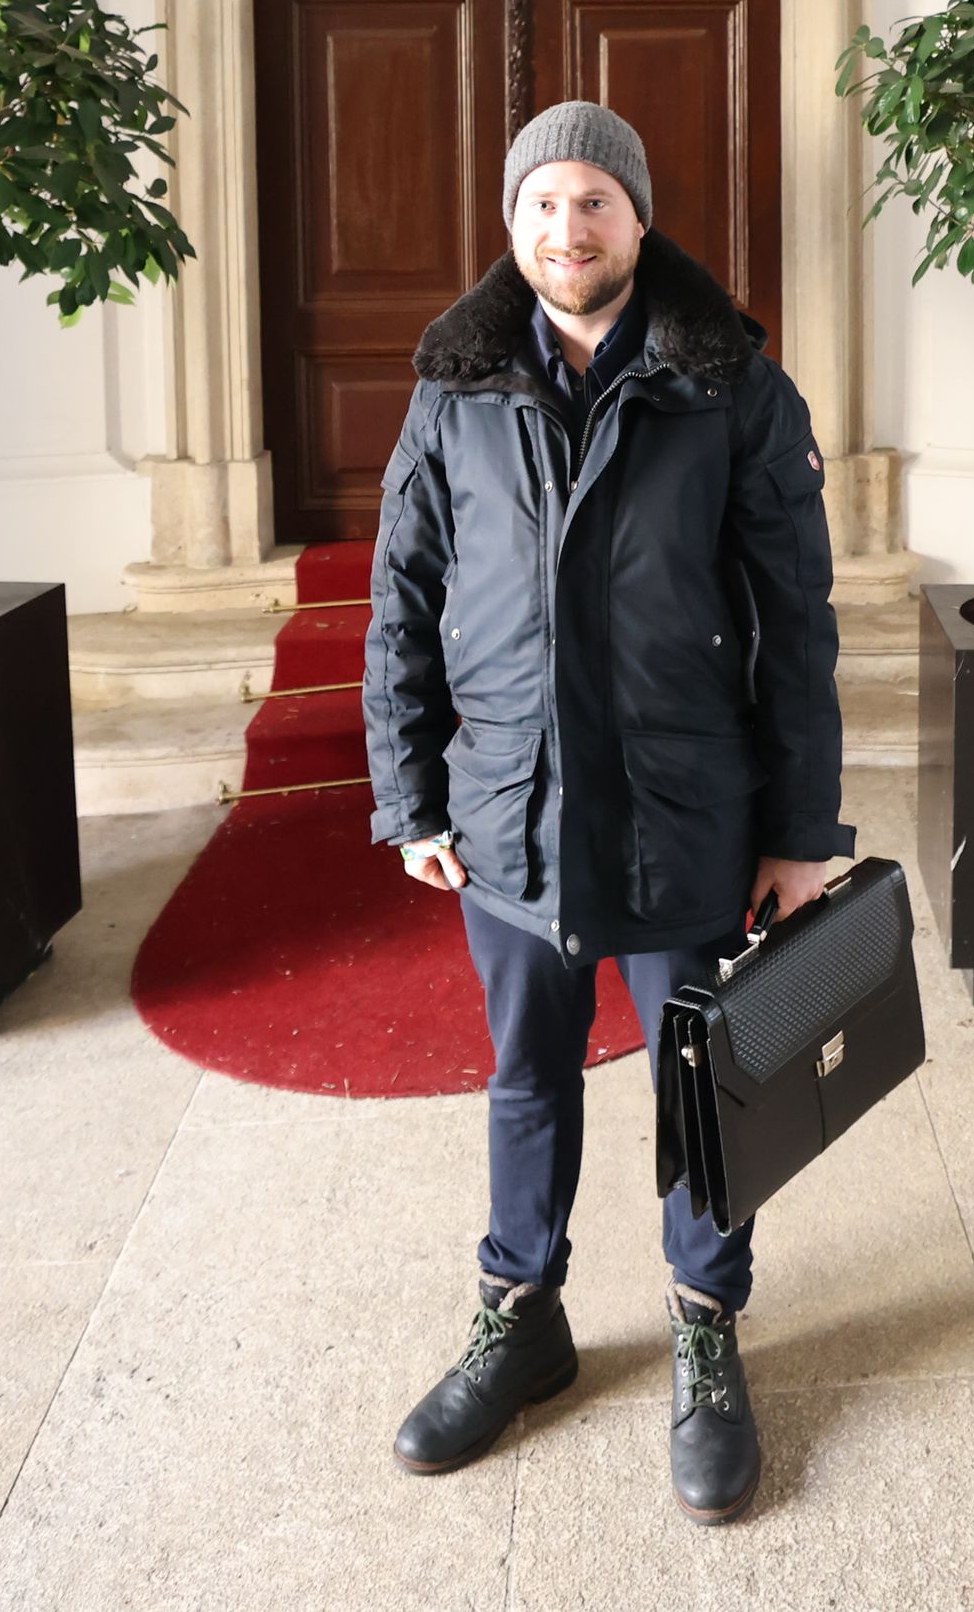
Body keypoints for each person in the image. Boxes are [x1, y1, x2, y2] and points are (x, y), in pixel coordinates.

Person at [361, 99, 849, 1525]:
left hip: (684, 813)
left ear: (637, 217)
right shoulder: (453, 387)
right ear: (512, 229)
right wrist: (412, 795)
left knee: (704, 1089)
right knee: (526, 1077)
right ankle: (524, 1314)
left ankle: (706, 1321)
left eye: (590, 203)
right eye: (539, 207)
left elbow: (797, 626)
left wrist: (799, 831)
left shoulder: (734, 386)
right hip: (507, 815)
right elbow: (399, 602)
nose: (563, 232)